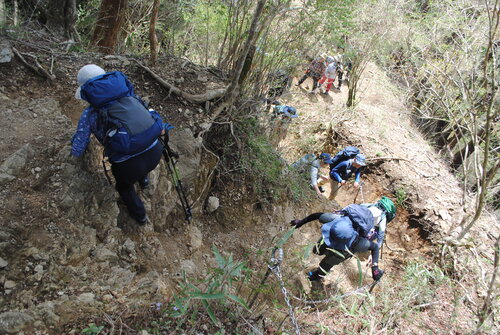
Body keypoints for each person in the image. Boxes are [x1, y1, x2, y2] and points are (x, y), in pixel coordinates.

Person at [71, 64, 171, 224]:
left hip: (128, 167)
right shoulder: (132, 97)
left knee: (124, 187)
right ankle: (144, 180)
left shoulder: (90, 114)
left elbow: (78, 147)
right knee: (138, 144)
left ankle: (141, 216)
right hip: (155, 152)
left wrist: (73, 151)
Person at [290, 211, 384, 282]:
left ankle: (318, 275)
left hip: (344, 251)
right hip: (333, 238)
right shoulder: (336, 219)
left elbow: (375, 247)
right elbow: (317, 215)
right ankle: (323, 259)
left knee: (326, 264)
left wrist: (375, 268)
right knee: (317, 250)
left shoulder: (358, 242)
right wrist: (301, 222)